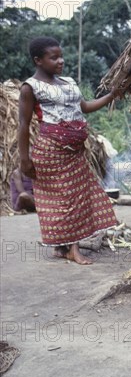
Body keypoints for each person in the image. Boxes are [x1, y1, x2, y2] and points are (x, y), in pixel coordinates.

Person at [18, 36, 118, 265]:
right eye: (53, 57)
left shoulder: (68, 82)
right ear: (38, 60)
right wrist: (25, 160)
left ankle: (62, 248)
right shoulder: (30, 87)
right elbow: (23, 124)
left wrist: (110, 96)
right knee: (64, 199)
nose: (60, 61)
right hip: (51, 151)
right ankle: (72, 249)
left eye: (61, 56)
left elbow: (85, 107)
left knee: (77, 197)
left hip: (75, 152)